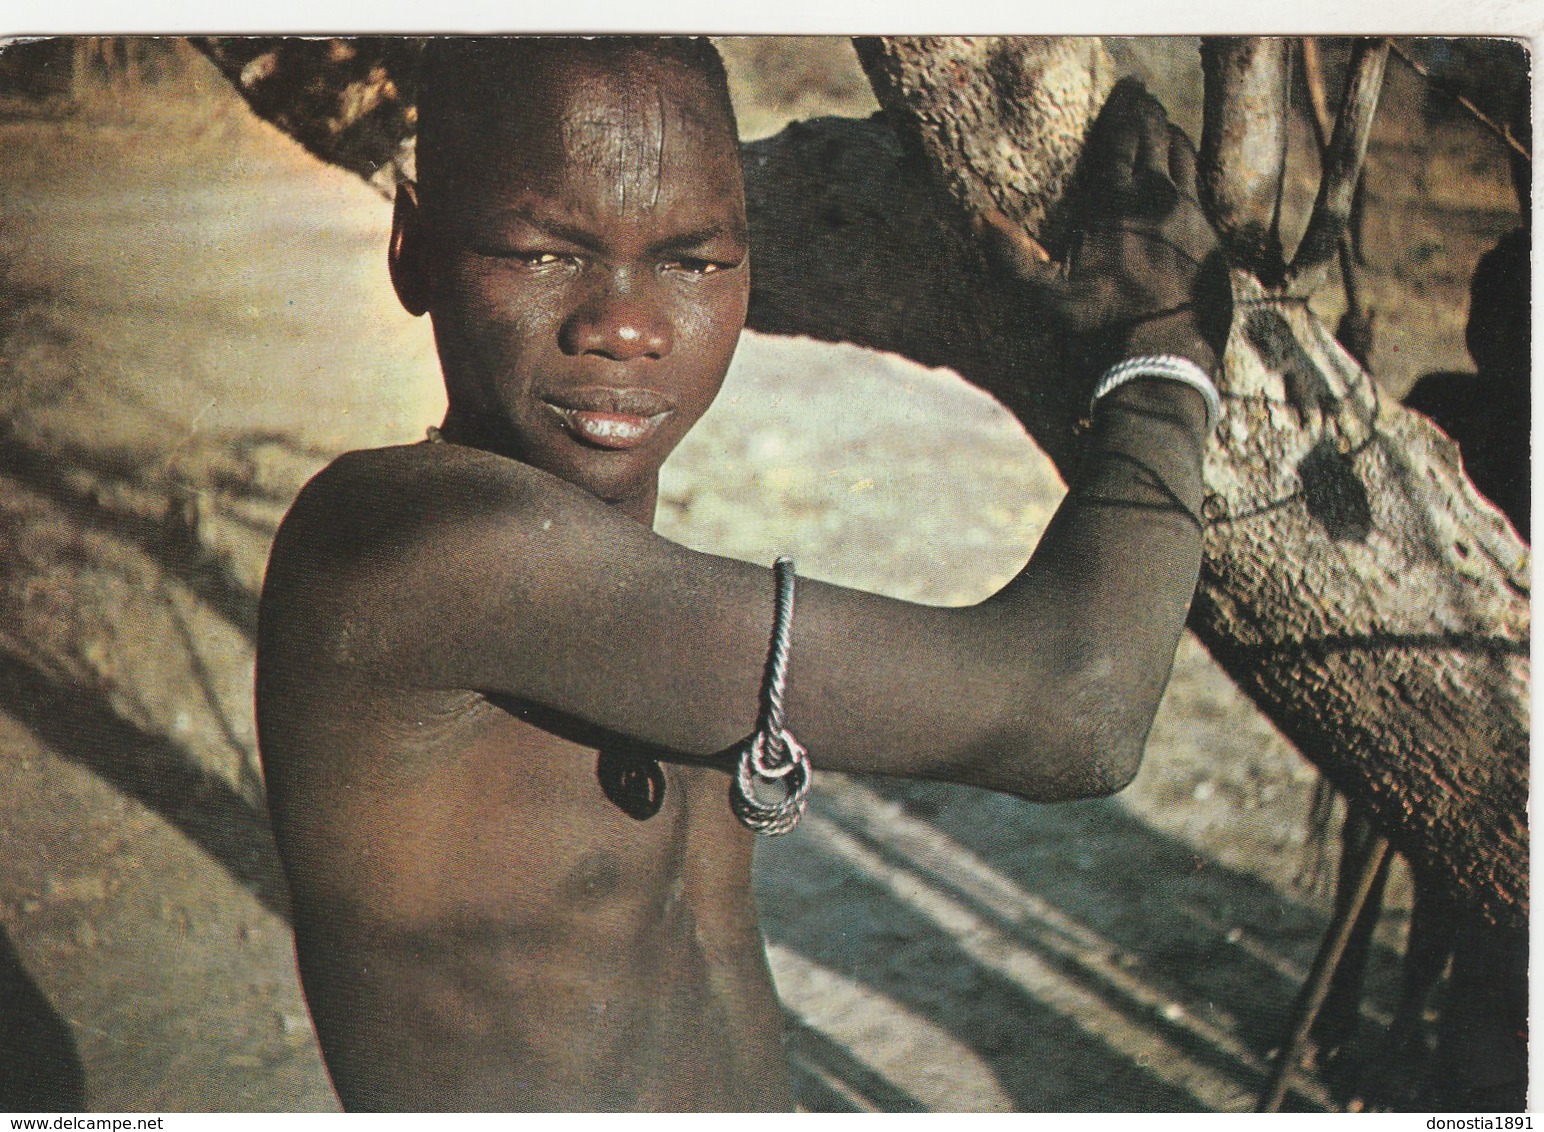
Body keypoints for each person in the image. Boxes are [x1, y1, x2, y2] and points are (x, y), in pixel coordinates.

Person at [255, 36, 1229, 1111]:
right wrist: (1163, 353)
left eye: (691, 262)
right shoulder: (405, 544)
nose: (622, 325)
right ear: (411, 249)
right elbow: (1076, 708)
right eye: (540, 253)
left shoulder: (644, 581)